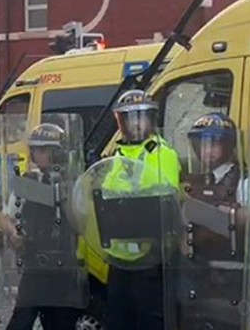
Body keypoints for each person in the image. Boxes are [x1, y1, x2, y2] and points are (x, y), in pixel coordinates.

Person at [99, 89, 181, 330]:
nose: (135, 125)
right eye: (129, 119)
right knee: (117, 321)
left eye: (141, 117)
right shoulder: (115, 156)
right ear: (121, 122)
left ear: (151, 120)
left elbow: (164, 201)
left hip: (151, 258)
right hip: (119, 259)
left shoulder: (162, 154)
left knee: (150, 321)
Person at [3, 123, 85, 330]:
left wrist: (62, 193)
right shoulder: (29, 182)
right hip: (35, 265)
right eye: (35, 150)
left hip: (64, 267)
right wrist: (14, 233)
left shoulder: (75, 182)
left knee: (60, 323)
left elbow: (79, 225)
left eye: (43, 150)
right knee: (20, 322)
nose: (36, 156)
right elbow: (5, 217)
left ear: (57, 153)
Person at [178, 112, 246, 329]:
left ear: (229, 145)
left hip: (232, 270)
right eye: (202, 144)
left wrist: (222, 212)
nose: (207, 151)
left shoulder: (245, 179)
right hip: (196, 269)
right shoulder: (193, 181)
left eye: (215, 144)